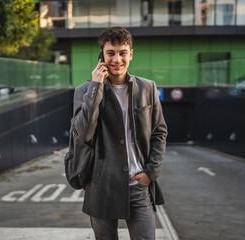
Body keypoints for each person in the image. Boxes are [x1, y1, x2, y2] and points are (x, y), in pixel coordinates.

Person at [72, 26, 168, 240]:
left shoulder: (148, 88)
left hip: (138, 184)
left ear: (131, 54)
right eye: (110, 53)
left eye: (122, 52)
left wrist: (151, 172)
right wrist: (95, 87)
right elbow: (85, 133)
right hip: (101, 186)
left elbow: (159, 132)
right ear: (101, 55)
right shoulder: (83, 91)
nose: (117, 59)